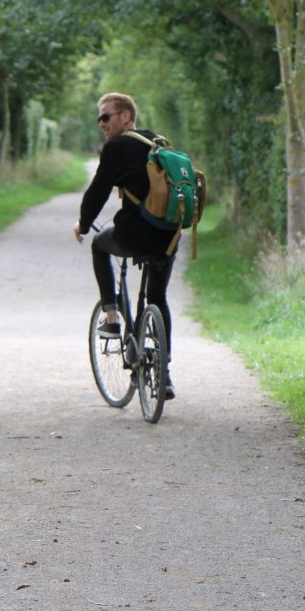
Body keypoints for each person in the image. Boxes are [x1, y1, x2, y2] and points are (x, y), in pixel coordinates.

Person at [72, 92, 177, 399]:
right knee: (157, 297)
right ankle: (164, 374)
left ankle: (112, 320)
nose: (101, 123)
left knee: (99, 246)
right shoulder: (159, 142)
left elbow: (98, 191)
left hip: (134, 234)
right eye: (99, 118)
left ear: (126, 117)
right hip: (169, 236)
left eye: (106, 116)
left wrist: (82, 223)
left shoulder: (117, 147)